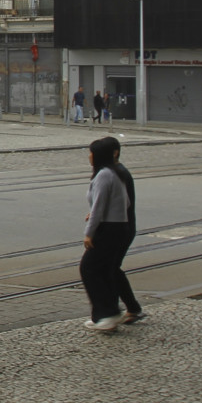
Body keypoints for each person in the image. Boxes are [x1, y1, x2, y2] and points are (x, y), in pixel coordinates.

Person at [80, 135, 142, 332]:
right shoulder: (116, 172)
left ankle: (108, 314)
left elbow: (100, 206)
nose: (89, 156)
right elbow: (120, 203)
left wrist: (89, 233)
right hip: (118, 226)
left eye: (91, 153)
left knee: (90, 268)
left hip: (110, 228)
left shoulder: (106, 174)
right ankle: (106, 315)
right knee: (107, 269)